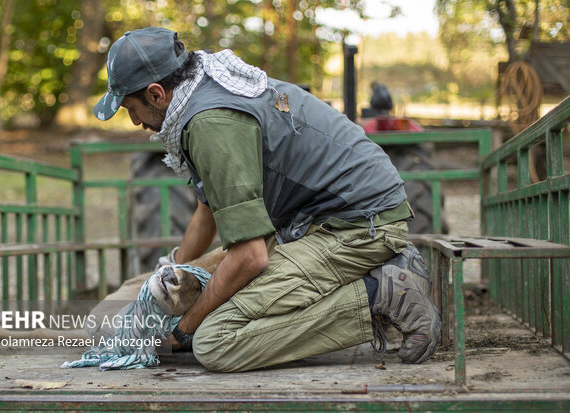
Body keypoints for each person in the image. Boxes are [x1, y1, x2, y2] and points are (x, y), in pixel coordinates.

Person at [93, 27, 440, 372]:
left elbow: (250, 257)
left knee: (214, 342)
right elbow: (208, 210)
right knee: (217, 296)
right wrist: (174, 273)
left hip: (357, 225)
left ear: (156, 94)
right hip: (323, 218)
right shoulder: (203, 89)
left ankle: (380, 293)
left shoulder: (209, 123)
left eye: (130, 108)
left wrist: (181, 333)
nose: (135, 121)